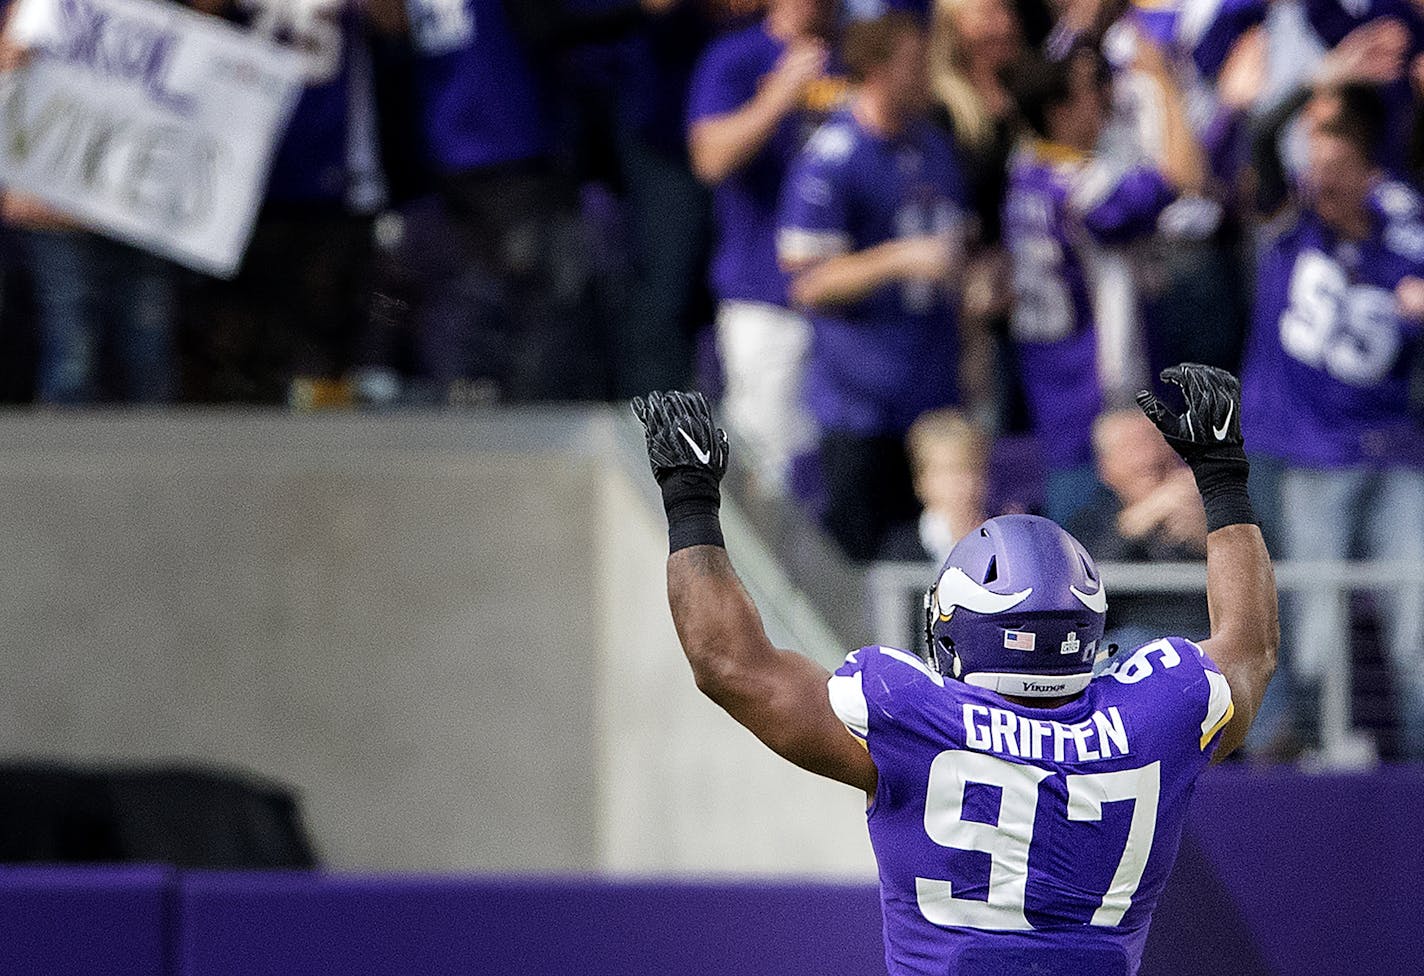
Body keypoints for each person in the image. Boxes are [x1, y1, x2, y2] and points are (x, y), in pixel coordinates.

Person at [630, 362, 1276, 976]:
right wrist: (1221, 480)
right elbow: (1249, 648)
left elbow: (727, 664)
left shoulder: (909, 715)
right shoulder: (1157, 714)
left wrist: (691, 501)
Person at [1241, 112, 1424, 758]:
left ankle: (1414, 760)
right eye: (1315, 168)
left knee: (1415, 618)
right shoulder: (1292, 230)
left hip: (1396, 448)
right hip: (1314, 453)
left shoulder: (1403, 240)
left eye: (1339, 169)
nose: (1324, 182)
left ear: (1371, 175)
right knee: (1315, 617)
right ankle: (1322, 751)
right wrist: (1301, 97)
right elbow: (1260, 144)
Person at [777, 11, 970, 560]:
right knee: (862, 572)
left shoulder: (932, 146)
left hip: (930, 399)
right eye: (915, 63)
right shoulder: (833, 156)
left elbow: (957, 248)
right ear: (881, 68)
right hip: (858, 405)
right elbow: (806, 282)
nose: (928, 75)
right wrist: (899, 259)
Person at [1001, 38, 1204, 526]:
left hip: (1054, 387)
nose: (1104, 102)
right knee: (1103, 560)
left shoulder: (1025, 172)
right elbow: (1185, 173)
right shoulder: (1082, 189)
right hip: (1098, 397)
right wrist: (1164, 83)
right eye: (1091, 91)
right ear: (1059, 110)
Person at [686, 0, 846, 493]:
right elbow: (709, 158)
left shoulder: (860, 51)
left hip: (850, 303)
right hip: (765, 296)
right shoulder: (737, 57)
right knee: (767, 476)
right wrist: (778, 97)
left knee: (840, 476)